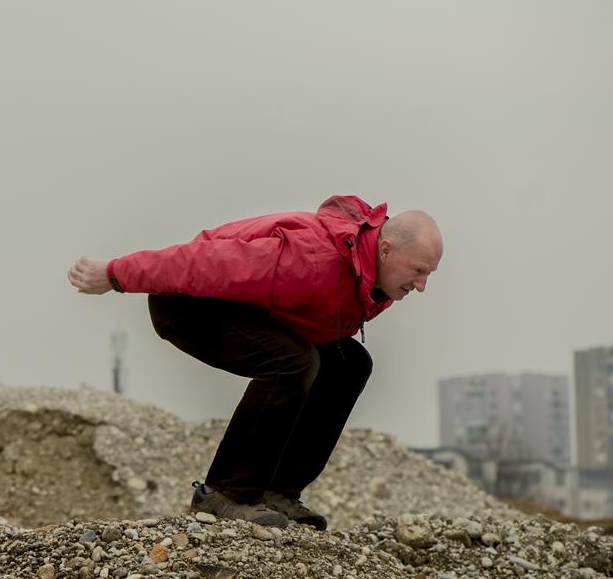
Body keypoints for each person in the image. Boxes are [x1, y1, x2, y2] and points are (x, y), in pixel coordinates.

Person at [67, 195, 442, 529]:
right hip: (184, 302)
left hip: (248, 310)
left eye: (429, 274)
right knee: (293, 362)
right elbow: (200, 263)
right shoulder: (310, 259)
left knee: (349, 363)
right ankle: (223, 493)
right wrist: (114, 274)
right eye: (418, 271)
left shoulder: (372, 275)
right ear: (387, 250)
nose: (422, 285)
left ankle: (278, 490)